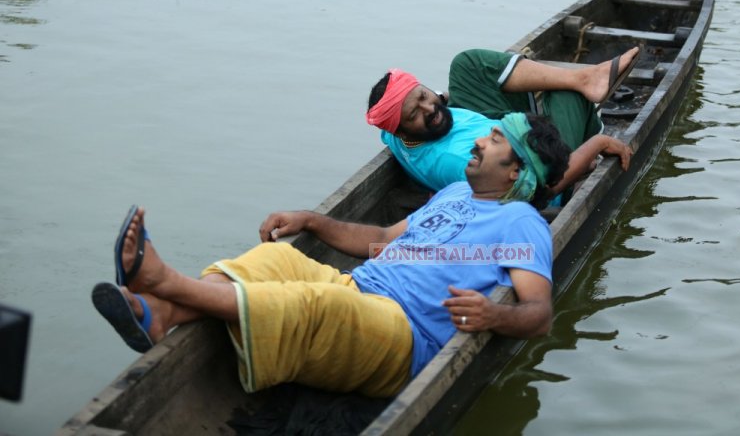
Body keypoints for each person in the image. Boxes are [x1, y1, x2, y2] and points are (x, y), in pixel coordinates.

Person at [92, 113, 570, 398]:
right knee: (274, 262)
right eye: (487, 135)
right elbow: (382, 237)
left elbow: (538, 313)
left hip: (405, 335)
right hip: (361, 287)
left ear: (515, 174)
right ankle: (161, 314)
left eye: (495, 141)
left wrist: (491, 314)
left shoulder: (521, 224)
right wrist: (314, 221)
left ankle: (167, 285)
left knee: (312, 304)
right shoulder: (451, 194)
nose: (478, 141)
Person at [366, 48, 638, 200]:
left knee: (465, 66)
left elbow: (417, 105)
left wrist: (443, 97)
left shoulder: (394, 132)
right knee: (565, 94)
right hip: (549, 165)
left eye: (424, 96)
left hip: (508, 130)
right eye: (415, 114)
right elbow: (540, 192)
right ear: (401, 129)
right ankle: (587, 121)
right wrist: (596, 145)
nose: (430, 109)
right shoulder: (457, 159)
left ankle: (585, 78)